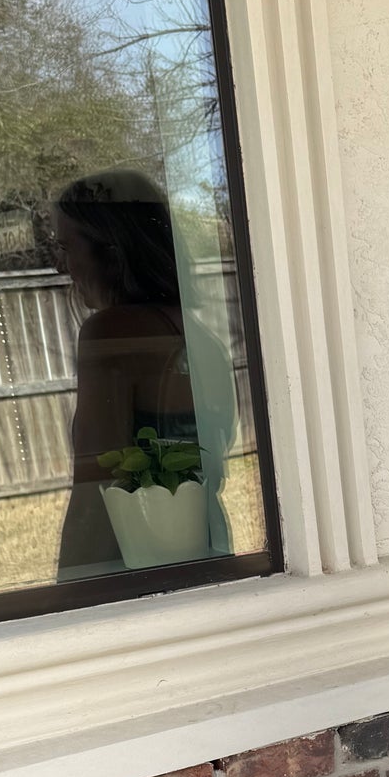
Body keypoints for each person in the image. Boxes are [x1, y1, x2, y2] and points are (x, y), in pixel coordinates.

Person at [50, 168, 233, 574]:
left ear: (111, 252)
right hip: (205, 546)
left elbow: (94, 495)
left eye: (65, 247)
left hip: (139, 564)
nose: (61, 266)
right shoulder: (200, 336)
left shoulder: (112, 334)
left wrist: (70, 591)